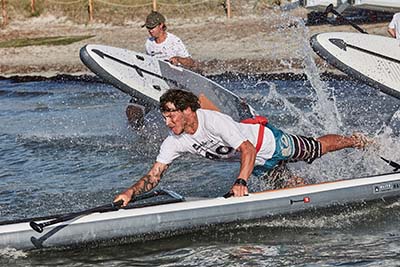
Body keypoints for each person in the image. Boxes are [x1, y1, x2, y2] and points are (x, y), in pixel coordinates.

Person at [114, 89, 371, 206]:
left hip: (269, 144)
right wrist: (130, 193)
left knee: (315, 148)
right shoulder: (175, 141)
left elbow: (247, 149)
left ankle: (356, 140)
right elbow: (153, 176)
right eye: (164, 116)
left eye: (171, 116)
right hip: (256, 166)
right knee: (290, 188)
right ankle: (336, 188)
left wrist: (240, 182)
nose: (166, 122)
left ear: (187, 111)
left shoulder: (213, 121)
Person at [126, 11, 196, 128]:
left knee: (173, 117)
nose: (150, 30)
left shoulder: (174, 41)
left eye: (152, 27)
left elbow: (191, 62)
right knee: (132, 112)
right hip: (154, 83)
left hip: (172, 85)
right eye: (148, 28)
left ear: (161, 25)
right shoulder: (149, 43)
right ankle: (143, 138)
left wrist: (178, 59)